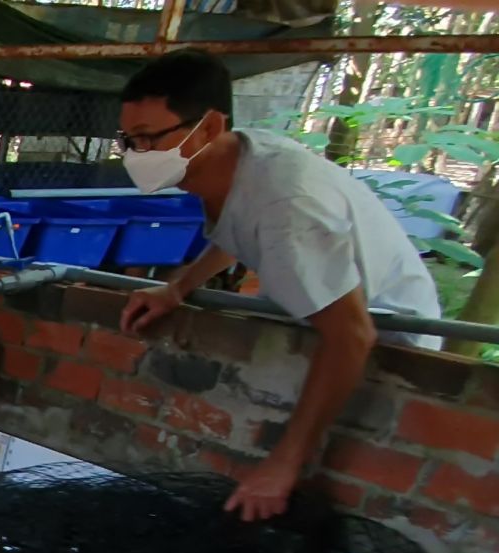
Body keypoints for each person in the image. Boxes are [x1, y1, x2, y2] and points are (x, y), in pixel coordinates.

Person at [114, 50, 442, 523]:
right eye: (128, 139)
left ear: (208, 127)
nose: (136, 155)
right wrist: (178, 288)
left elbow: (353, 336)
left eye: (148, 139)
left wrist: (284, 464)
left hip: (389, 345)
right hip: (322, 322)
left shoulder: (288, 208)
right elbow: (237, 233)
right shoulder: (239, 162)